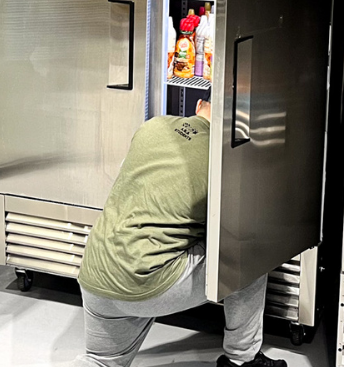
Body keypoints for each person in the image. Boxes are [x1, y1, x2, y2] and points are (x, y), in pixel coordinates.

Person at [75, 99, 284, 367]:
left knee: (100, 362)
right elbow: (235, 231)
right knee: (250, 252)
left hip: (96, 274)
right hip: (146, 283)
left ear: (198, 105)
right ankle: (243, 359)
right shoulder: (227, 164)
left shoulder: (153, 126)